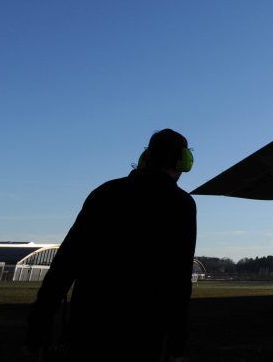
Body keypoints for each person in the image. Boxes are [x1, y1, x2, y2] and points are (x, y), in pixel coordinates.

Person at [25, 129, 197, 361]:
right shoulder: (182, 205)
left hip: (89, 325)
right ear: (183, 161)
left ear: (145, 157)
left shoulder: (105, 193)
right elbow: (179, 278)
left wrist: (37, 328)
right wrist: (177, 343)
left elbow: (65, 263)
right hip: (144, 331)